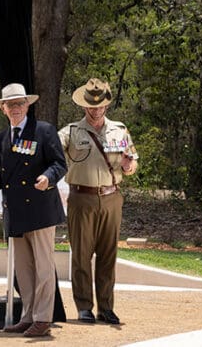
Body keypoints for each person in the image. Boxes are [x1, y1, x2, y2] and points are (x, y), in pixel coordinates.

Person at [0, 83, 67, 337]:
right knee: (24, 270)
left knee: (43, 267)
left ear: (28, 105)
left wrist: (48, 177)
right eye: (10, 105)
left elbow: (58, 163)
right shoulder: (0, 139)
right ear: (3, 110)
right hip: (16, 213)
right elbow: (2, 173)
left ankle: (43, 318)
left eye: (20, 103)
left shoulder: (44, 131)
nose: (15, 108)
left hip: (41, 210)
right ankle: (28, 315)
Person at [58, 78, 138, 325]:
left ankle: (106, 307)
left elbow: (132, 163)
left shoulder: (120, 130)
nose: (95, 110)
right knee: (81, 255)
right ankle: (84, 306)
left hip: (111, 197)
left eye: (100, 106)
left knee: (108, 255)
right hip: (82, 198)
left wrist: (128, 165)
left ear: (106, 105)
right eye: (91, 106)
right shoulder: (70, 132)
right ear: (84, 106)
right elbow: (53, 154)